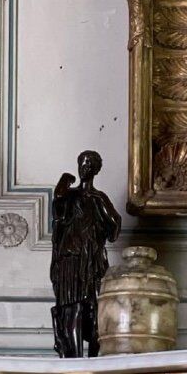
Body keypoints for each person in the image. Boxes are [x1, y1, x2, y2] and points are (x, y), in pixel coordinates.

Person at [49, 150, 121, 357]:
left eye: (90, 164)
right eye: (82, 163)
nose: (85, 168)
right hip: (70, 258)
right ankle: (72, 359)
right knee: (71, 306)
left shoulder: (98, 198)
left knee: (96, 309)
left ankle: (94, 360)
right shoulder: (68, 196)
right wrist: (63, 182)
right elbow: (58, 209)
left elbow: (115, 227)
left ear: (96, 169)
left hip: (91, 259)